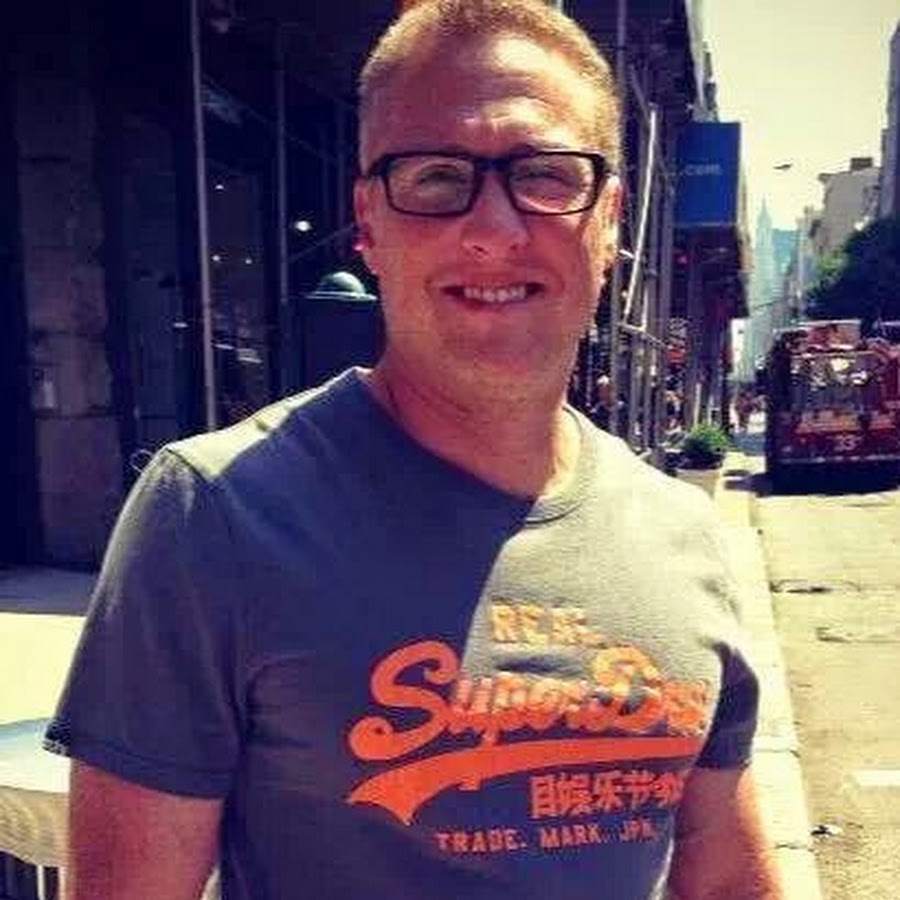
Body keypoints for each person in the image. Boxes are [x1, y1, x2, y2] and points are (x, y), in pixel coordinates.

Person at [45, 2, 784, 898]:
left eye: (545, 176)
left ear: (610, 220)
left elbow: (728, 881)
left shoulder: (682, 533)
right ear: (368, 221)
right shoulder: (215, 515)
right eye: (436, 178)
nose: (495, 228)